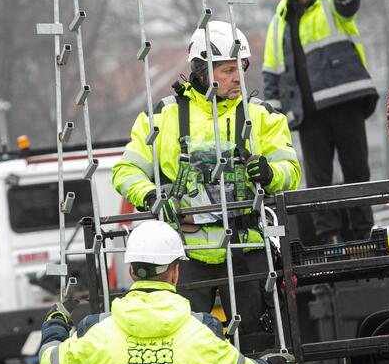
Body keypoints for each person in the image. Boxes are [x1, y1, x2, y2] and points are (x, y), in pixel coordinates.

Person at [111, 21, 300, 347]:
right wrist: (151, 195)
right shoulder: (162, 117)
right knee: (182, 346)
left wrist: (271, 174)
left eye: (240, 68)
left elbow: (291, 170)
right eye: (227, 70)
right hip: (184, 256)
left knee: (257, 346)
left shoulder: (262, 116)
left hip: (246, 247)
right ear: (201, 71)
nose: (236, 78)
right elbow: (125, 171)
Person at [39, 220, 297, 364]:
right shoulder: (201, 331)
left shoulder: (98, 331)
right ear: (175, 273)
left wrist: (55, 324)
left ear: (131, 271)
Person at [263, 0, 378, 244]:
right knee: (318, 180)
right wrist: (274, 117)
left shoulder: (330, 2)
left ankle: (362, 234)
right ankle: (328, 238)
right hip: (309, 114)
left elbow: (348, 3)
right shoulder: (279, 21)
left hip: (344, 104)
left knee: (356, 170)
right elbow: (272, 70)